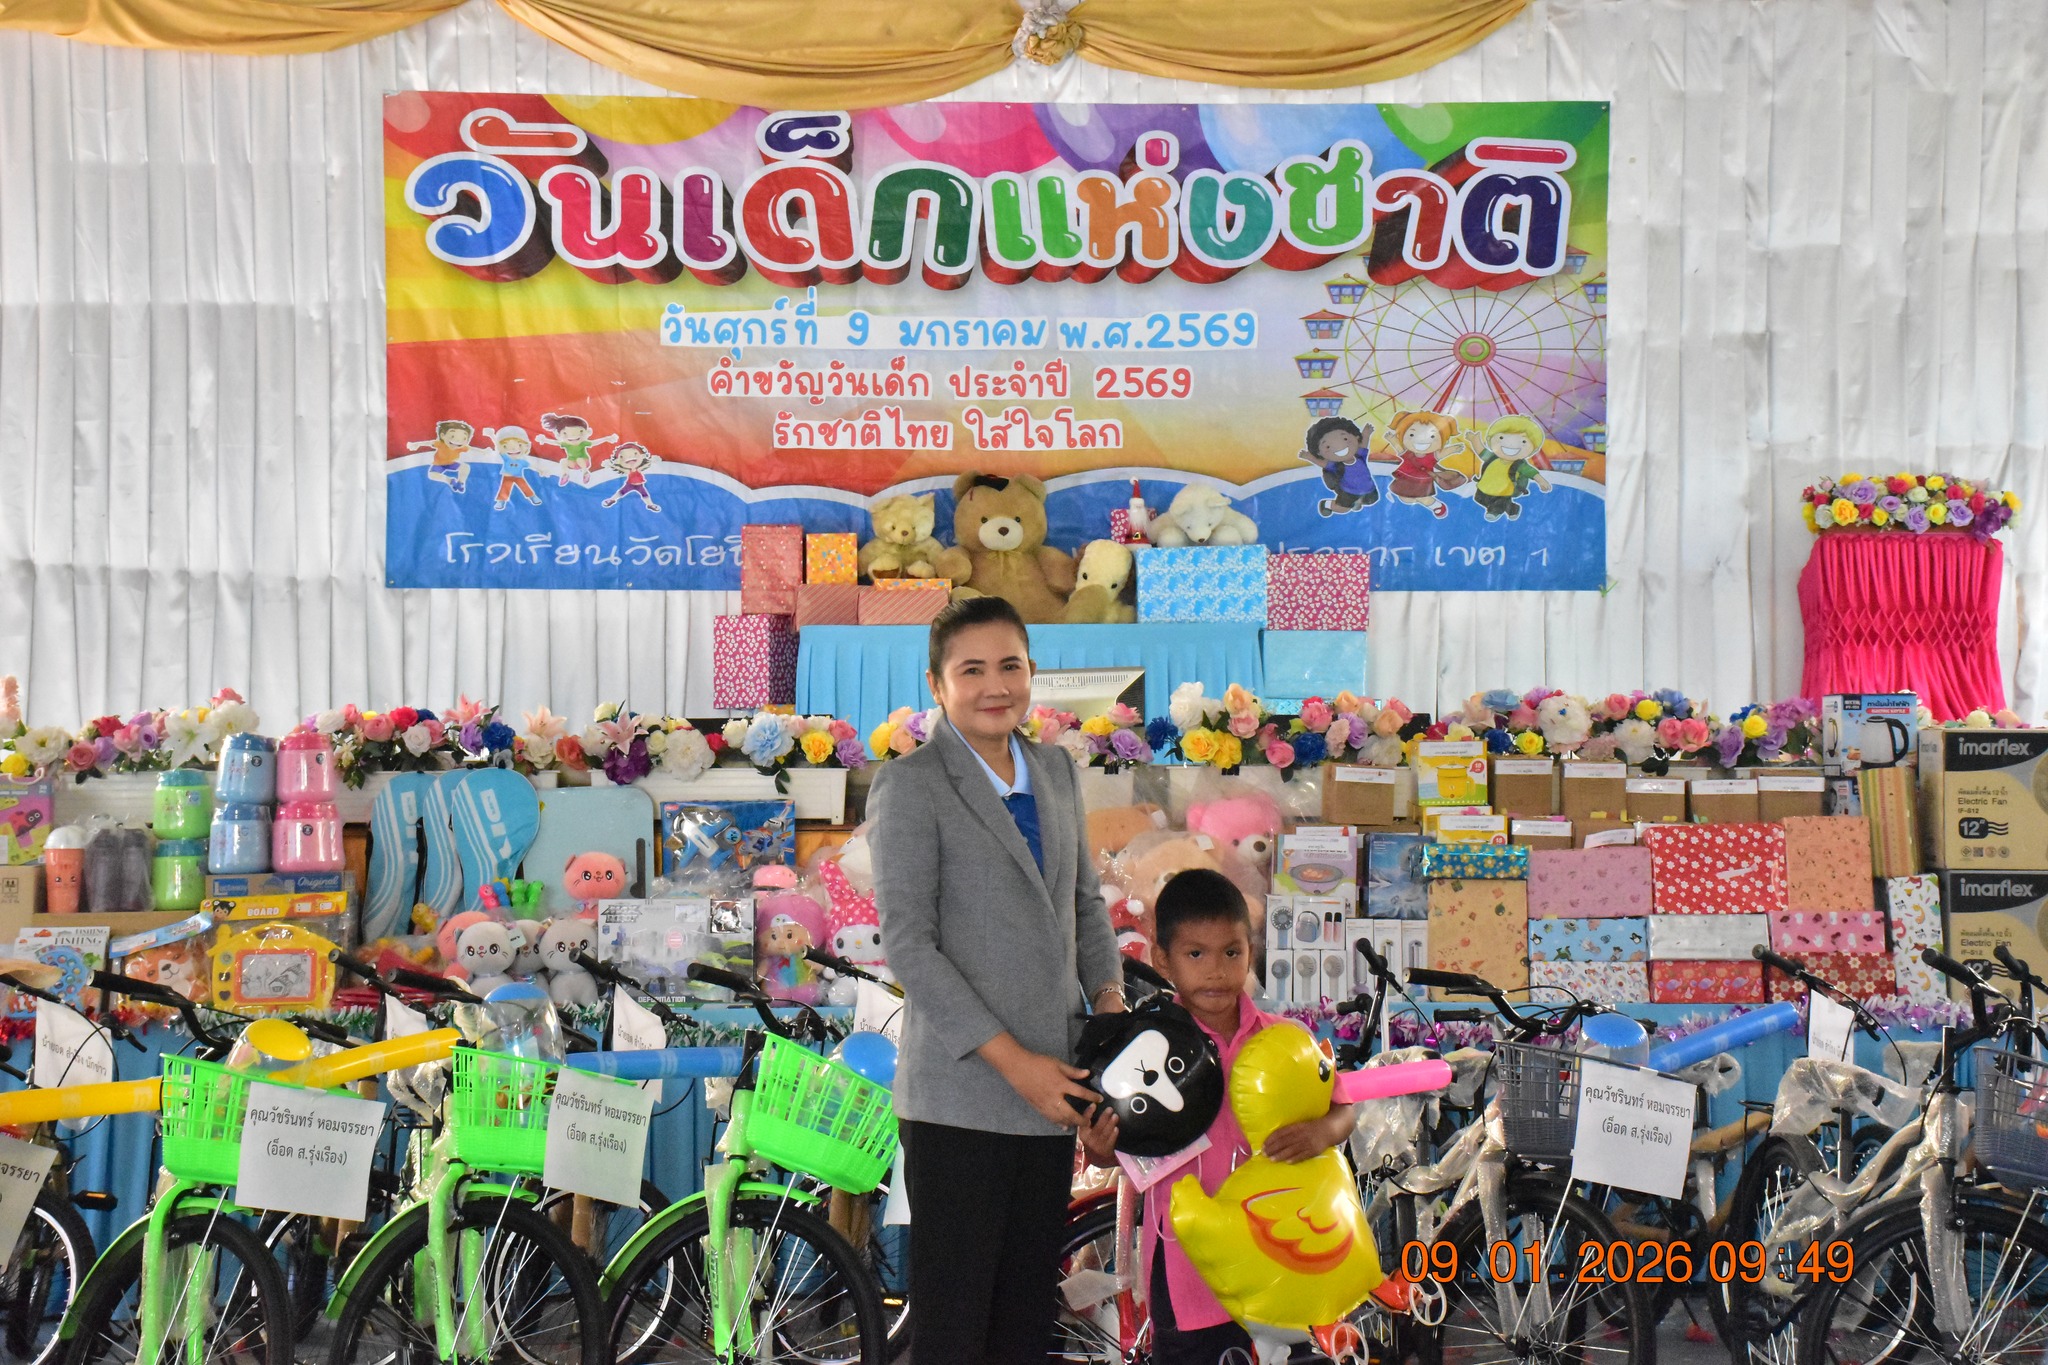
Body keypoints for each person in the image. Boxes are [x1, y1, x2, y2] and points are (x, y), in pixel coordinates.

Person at [869, 594, 1126, 1365]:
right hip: (962, 1100)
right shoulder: (912, 783)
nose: (994, 685)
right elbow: (910, 946)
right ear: (937, 684)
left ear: (1032, 672)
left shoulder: (1054, 770)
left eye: (1009, 665)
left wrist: (1110, 1008)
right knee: (955, 1333)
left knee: (1022, 1327)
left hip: (1053, 1096)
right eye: (971, 669)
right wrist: (1019, 1066)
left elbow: (1084, 904)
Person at [1080, 867, 1407, 1363]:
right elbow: (1115, 1148)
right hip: (1190, 1269)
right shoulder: (1142, 1050)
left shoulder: (1284, 1038)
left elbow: (1342, 1107)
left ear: (1250, 952)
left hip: (1286, 1259)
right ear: (1163, 959)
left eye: (1231, 952)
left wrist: (1322, 1132)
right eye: (1196, 954)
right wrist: (1100, 1147)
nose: (1216, 970)